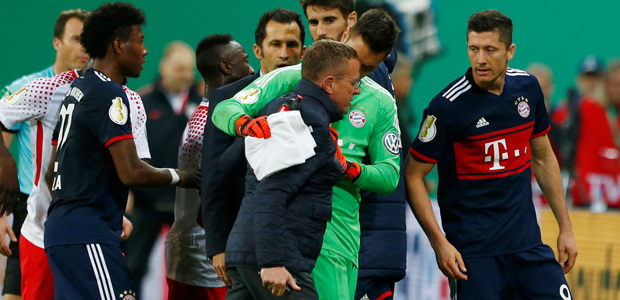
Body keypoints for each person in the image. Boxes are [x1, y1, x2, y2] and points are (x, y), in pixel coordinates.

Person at [210, 9, 401, 300]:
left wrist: (347, 167)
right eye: (353, 62)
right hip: (282, 241)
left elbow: (390, 177)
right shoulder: (289, 79)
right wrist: (247, 126)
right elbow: (225, 110)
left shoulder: (380, 101)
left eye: (366, 69)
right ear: (346, 36)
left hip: (336, 241)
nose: (357, 77)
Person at [405, 9, 577, 299]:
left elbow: (543, 157)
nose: (480, 59)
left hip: (528, 247)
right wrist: (440, 243)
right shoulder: (447, 107)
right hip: (476, 257)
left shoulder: (527, 87)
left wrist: (566, 228)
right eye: (473, 49)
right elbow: (413, 176)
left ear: (509, 51)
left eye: (490, 50)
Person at [42, 3, 199, 299]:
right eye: (139, 41)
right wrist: (185, 176)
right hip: (88, 233)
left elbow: (53, 170)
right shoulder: (109, 93)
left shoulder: (78, 90)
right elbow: (131, 171)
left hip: (66, 231)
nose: (145, 51)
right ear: (117, 45)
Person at [0, 60, 148, 300]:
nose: (144, 51)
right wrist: (6, 165)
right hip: (41, 229)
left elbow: (130, 167)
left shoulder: (129, 99)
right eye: (76, 37)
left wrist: (113, 210)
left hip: (93, 231)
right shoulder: (47, 89)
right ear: (58, 43)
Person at [224, 39, 359, 300]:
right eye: (354, 83)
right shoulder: (311, 122)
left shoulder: (278, 106)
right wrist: (272, 261)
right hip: (278, 259)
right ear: (330, 84)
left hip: (244, 251)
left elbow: (229, 163)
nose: (357, 91)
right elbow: (271, 193)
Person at [201, 8, 306, 287]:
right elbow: (213, 174)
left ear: (304, 51)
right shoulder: (229, 99)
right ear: (258, 51)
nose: (284, 53)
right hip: (242, 238)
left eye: (291, 44)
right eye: (275, 44)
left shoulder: (316, 99)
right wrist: (218, 244)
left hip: (299, 239)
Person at [0, 9, 89, 300]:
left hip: (78, 210)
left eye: (88, 40)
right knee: (17, 294)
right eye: (76, 39)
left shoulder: (98, 92)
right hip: (29, 207)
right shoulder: (30, 89)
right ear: (57, 42)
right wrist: (1, 212)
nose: (83, 47)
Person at [164, 33, 254, 300]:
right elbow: (212, 188)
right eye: (245, 60)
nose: (251, 69)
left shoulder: (209, 114)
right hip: (204, 254)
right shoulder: (210, 122)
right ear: (226, 66)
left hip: (198, 248)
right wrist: (220, 246)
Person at [123, 40, 203, 293]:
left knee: (195, 268)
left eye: (189, 69)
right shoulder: (141, 102)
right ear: (163, 67)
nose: (186, 75)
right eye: (180, 69)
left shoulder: (204, 103)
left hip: (189, 201)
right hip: (148, 200)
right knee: (133, 265)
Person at [570, 60, 620, 209]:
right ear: (605, 85)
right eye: (615, 84)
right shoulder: (587, 109)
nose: (618, 90)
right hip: (591, 198)